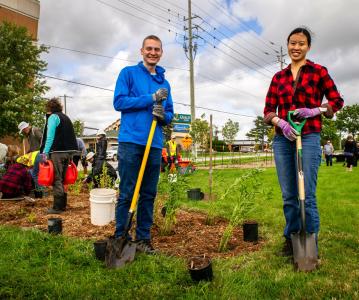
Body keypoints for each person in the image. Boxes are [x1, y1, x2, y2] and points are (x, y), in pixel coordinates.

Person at [263, 27, 344, 257]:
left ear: (308, 46)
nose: (296, 47)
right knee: (289, 195)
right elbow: (268, 110)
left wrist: (315, 110)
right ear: (287, 45)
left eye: (301, 43)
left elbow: (337, 100)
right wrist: (281, 122)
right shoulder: (278, 77)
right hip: (283, 140)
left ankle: (311, 241)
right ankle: (291, 240)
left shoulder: (318, 71)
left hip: (308, 136)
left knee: (307, 194)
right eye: (292, 43)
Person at [113, 35, 174, 253]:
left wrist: (162, 116)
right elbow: (119, 102)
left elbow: (170, 114)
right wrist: (150, 99)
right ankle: (121, 236)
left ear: (161, 53)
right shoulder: (128, 74)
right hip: (131, 141)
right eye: (149, 48)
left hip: (155, 143)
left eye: (157, 49)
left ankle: (143, 240)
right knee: (127, 192)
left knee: (149, 193)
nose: (153, 52)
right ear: (141, 51)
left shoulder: (165, 83)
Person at [40, 98, 78, 214]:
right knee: (63, 179)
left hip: (57, 152)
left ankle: (57, 208)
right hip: (68, 152)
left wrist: (45, 152)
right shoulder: (65, 117)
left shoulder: (53, 117)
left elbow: (50, 137)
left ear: (49, 108)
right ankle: (63, 206)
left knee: (56, 178)